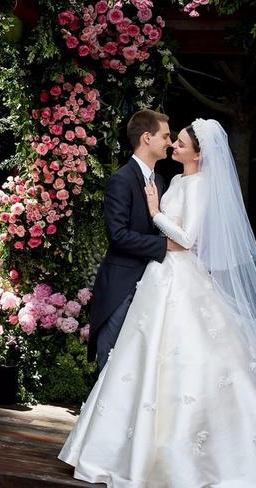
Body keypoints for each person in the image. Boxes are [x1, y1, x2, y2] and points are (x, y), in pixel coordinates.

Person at [59, 118, 256, 487]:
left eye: (178, 141)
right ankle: (123, 449)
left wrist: (158, 215)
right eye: (169, 138)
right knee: (139, 360)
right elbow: (133, 235)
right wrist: (162, 229)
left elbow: (187, 237)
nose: (172, 145)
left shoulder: (196, 184)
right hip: (158, 276)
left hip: (179, 275)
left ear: (199, 151)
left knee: (193, 360)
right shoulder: (169, 180)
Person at [88, 109, 184, 372]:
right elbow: (117, 235)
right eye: (165, 136)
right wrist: (164, 246)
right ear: (146, 137)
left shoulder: (163, 181)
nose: (169, 142)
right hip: (122, 285)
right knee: (111, 360)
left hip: (156, 285)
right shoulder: (121, 180)